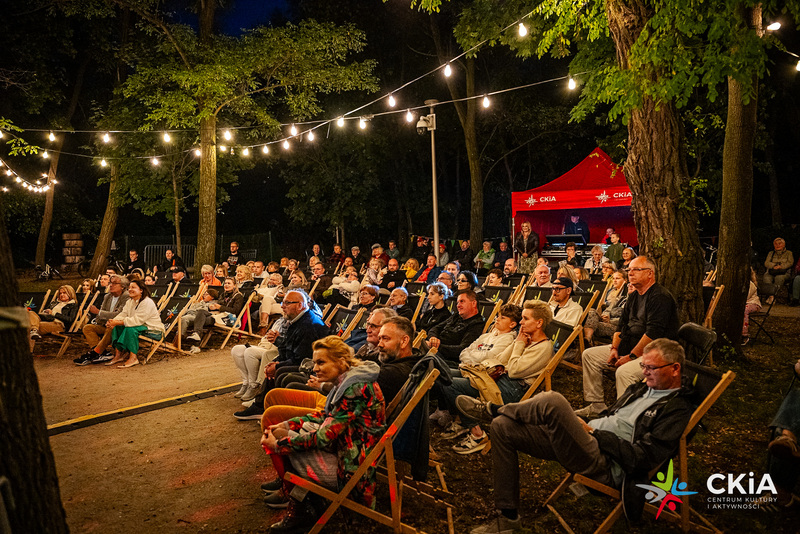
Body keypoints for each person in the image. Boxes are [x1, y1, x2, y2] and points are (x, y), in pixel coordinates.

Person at [462, 338, 694, 533]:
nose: (644, 372)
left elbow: (642, 458)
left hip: (606, 462)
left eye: (652, 368)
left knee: (553, 400)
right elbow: (611, 416)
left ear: (675, 369)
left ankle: (493, 409)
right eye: (643, 365)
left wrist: (596, 434)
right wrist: (584, 425)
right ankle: (508, 517)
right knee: (502, 427)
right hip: (585, 440)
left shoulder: (676, 409)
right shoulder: (641, 388)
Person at [260, 335, 385, 531]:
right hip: (348, 447)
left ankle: (302, 507)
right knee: (287, 431)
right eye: (315, 362)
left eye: (321, 362)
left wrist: (278, 445)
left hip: (353, 467)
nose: (315, 368)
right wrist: (288, 424)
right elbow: (326, 416)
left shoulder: (355, 389)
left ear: (341, 362)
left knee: (283, 441)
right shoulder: (349, 380)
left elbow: (323, 437)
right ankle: (304, 502)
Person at [577, 256, 679, 417]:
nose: (630, 273)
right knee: (589, 355)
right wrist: (614, 348)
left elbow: (653, 334)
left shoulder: (660, 297)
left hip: (657, 354)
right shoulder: (634, 296)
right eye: (629, 270)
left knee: (624, 372)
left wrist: (631, 356)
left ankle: (624, 418)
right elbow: (621, 326)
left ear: (650, 274)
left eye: (636, 270)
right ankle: (596, 406)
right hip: (630, 346)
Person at [440, 302, 548, 454]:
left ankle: (477, 435)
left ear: (539, 323)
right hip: (499, 377)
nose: (521, 323)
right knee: (445, 375)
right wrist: (517, 344)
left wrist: (518, 345)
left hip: (512, 388)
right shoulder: (526, 339)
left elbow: (514, 371)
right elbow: (500, 359)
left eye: (525, 319)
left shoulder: (543, 348)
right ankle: (464, 422)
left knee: (450, 384)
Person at [235, 290, 330, 420]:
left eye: (287, 303)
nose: (282, 306)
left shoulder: (309, 325)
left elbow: (301, 358)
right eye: (282, 303)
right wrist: (277, 360)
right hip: (303, 361)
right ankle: (263, 404)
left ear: (300, 305)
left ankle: (267, 406)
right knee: (275, 366)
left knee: (281, 371)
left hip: (312, 366)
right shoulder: (297, 320)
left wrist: (278, 365)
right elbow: (290, 349)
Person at [105, 280, 165, 368]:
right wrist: (113, 321)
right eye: (129, 288)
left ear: (141, 290)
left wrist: (118, 322)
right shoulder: (130, 302)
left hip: (153, 330)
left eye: (133, 287)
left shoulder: (147, 302)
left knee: (130, 329)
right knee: (117, 327)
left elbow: (138, 320)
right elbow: (123, 314)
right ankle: (118, 355)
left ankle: (133, 358)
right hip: (140, 327)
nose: (130, 289)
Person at [73, 275, 132, 365]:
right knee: (88, 328)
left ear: (122, 286)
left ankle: (95, 353)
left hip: (120, 327)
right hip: (105, 325)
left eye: (114, 283)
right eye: (110, 283)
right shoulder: (107, 296)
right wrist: (101, 316)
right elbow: (99, 316)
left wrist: (99, 312)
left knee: (111, 327)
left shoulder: (126, 296)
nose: (111, 285)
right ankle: (102, 353)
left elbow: (118, 314)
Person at [427, 290, 485, 365]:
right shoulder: (456, 316)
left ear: (473, 303)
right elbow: (435, 328)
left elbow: (463, 350)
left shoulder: (477, 324)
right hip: (435, 352)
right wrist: (433, 338)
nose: (458, 305)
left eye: (462, 301)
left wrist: (437, 347)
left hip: (447, 360)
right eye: (457, 302)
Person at [186, 278, 244, 344]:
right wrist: (213, 307)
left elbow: (235, 311)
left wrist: (220, 307)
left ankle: (196, 338)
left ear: (234, 285)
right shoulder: (223, 295)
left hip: (228, 318)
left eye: (229, 283)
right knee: (201, 311)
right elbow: (219, 305)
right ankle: (196, 335)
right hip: (218, 315)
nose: (226, 285)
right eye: (225, 283)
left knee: (200, 320)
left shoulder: (238, 296)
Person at [27, 285, 79, 352]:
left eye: (64, 293)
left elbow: (70, 319)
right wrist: (45, 312)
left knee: (29, 326)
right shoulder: (54, 303)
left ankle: (28, 351)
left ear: (70, 293)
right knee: (31, 313)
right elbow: (48, 313)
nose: (62, 295)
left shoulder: (73, 305)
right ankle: (34, 330)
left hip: (58, 324)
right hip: (47, 320)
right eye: (60, 293)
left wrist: (54, 313)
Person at [583, 270, 629, 345]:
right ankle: (587, 339)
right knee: (591, 311)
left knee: (588, 326)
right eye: (613, 278)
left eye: (617, 278)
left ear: (625, 281)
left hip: (617, 327)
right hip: (606, 322)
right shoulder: (620, 298)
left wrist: (610, 321)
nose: (614, 281)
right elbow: (608, 309)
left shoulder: (632, 300)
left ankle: (587, 340)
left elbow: (627, 319)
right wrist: (605, 316)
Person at [742, 267, 761, 345]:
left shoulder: (750, 284)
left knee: (744, 310)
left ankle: (744, 334)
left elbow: (745, 297)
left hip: (753, 304)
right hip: (744, 304)